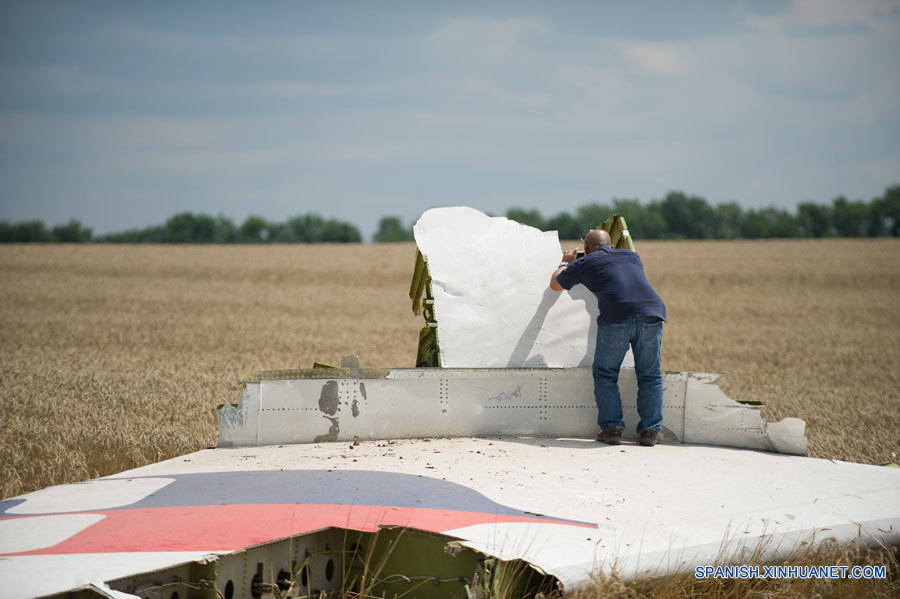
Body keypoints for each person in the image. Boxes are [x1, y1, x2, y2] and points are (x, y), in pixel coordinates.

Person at [549, 229, 666, 446]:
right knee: (650, 376)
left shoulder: (585, 263)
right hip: (652, 313)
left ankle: (611, 428)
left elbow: (555, 284)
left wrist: (566, 262)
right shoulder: (632, 256)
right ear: (611, 246)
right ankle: (650, 431)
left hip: (616, 318)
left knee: (606, 374)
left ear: (586, 250)